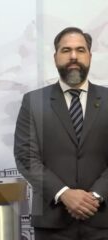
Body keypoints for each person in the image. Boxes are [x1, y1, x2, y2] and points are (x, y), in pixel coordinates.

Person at [14, 27, 108, 239]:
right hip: (51, 223)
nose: (73, 56)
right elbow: (26, 156)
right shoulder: (33, 102)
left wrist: (95, 196)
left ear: (90, 56)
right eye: (66, 50)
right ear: (55, 57)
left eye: (80, 50)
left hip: (102, 220)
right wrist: (63, 193)